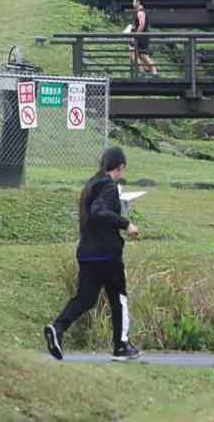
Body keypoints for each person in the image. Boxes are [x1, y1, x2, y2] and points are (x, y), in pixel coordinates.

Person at [44, 146, 142, 362]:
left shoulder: (91, 184)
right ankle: (121, 346)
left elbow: (94, 211)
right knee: (119, 298)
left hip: (87, 253)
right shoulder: (108, 186)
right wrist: (126, 224)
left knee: (86, 298)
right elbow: (99, 211)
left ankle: (57, 327)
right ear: (121, 166)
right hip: (107, 254)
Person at [124, 0, 157, 77]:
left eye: (134, 1)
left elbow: (142, 24)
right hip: (144, 36)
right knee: (142, 55)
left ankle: (142, 71)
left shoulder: (140, 13)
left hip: (141, 37)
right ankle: (154, 72)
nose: (133, 3)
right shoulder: (142, 12)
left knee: (131, 53)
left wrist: (136, 35)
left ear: (138, 2)